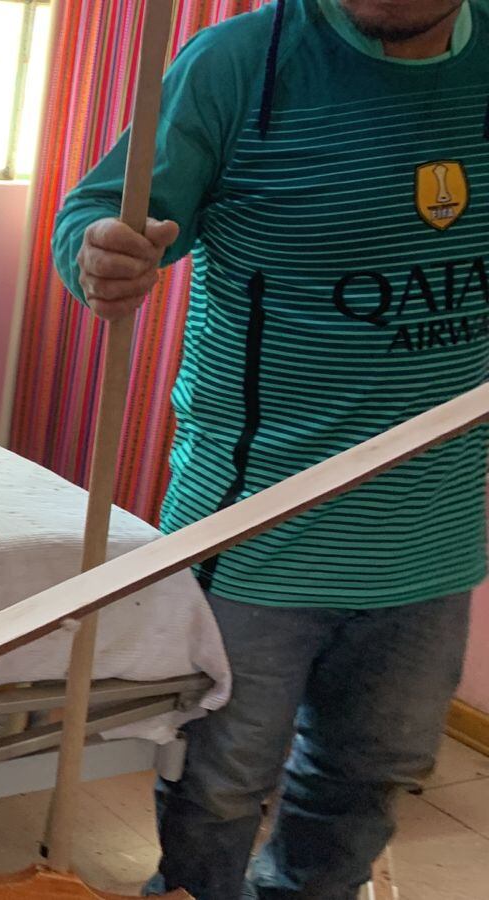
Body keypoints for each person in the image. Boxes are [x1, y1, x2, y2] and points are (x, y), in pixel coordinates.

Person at [52, 0, 489, 897]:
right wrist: (99, 255)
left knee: (369, 775)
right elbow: (100, 210)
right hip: (255, 531)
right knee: (219, 783)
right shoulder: (239, 65)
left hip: (432, 537)